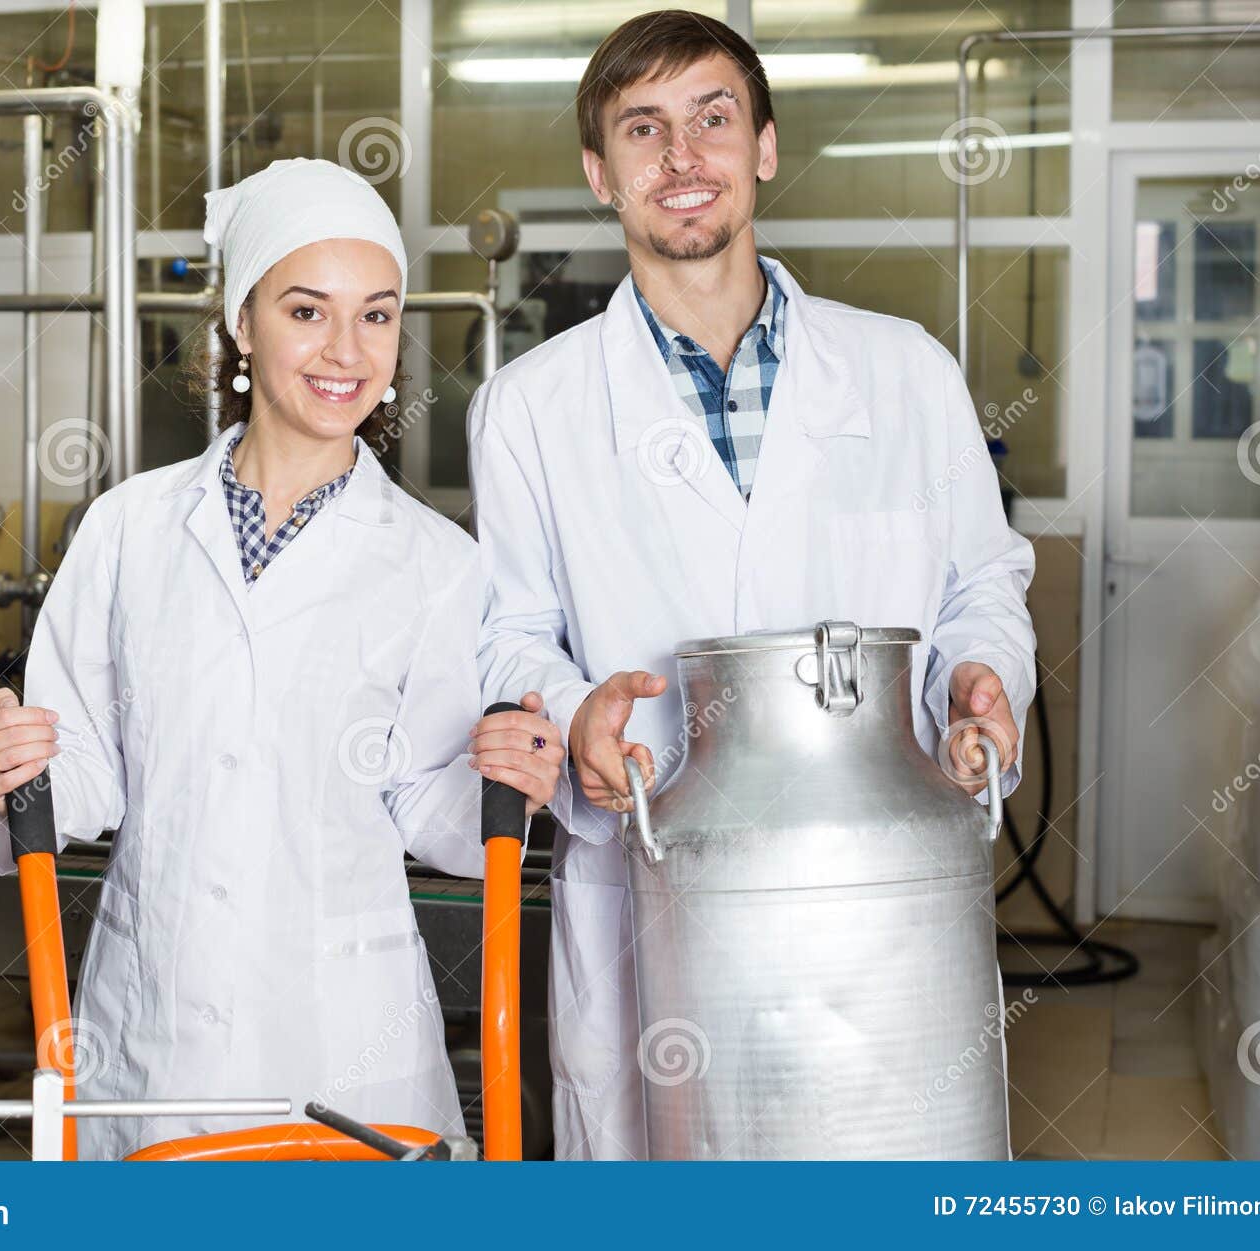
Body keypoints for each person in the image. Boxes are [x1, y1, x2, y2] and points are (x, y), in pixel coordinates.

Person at [467, 10, 1037, 1159]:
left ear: (763, 148)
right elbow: (509, 631)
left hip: (878, 913)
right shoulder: (529, 407)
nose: (681, 159)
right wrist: (575, 713)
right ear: (600, 174)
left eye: (711, 119)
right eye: (643, 129)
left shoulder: (903, 371)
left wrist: (984, 676)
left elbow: (982, 580)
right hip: (651, 883)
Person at [0, 158, 563, 1160]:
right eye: (306, 310)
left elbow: (435, 810)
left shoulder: (437, 564)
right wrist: (15, 770)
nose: (346, 350)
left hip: (343, 1046)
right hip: (151, 1030)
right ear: (243, 324)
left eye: (376, 316)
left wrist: (508, 778)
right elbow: (85, 775)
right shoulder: (128, 531)